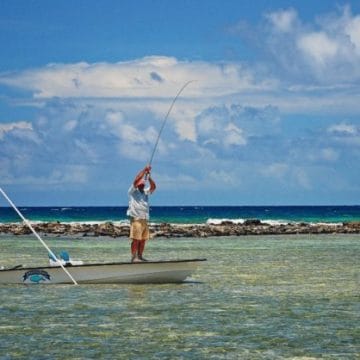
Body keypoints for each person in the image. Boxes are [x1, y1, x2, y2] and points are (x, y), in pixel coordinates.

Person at [126, 165, 156, 262]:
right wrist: (144, 170)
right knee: (136, 239)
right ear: (138, 185)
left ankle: (140, 256)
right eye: (141, 183)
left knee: (143, 240)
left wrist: (149, 176)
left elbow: (153, 187)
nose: (142, 184)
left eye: (143, 183)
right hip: (136, 219)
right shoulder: (133, 191)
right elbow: (136, 179)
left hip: (144, 219)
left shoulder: (146, 192)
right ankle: (134, 257)